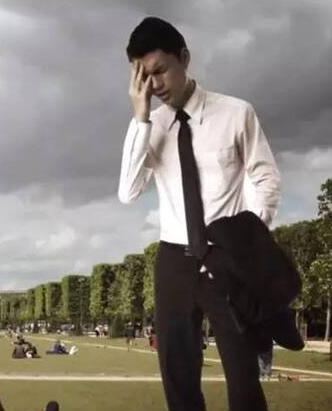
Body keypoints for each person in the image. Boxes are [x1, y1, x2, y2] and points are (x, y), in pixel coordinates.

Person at [119, 17, 280, 411]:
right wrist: (140, 118)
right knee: (178, 379)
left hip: (227, 256)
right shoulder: (150, 125)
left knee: (243, 377)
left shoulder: (236, 113)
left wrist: (245, 242)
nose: (154, 85)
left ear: (185, 58)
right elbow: (128, 192)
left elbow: (266, 178)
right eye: (143, 76)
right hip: (174, 261)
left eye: (160, 70)